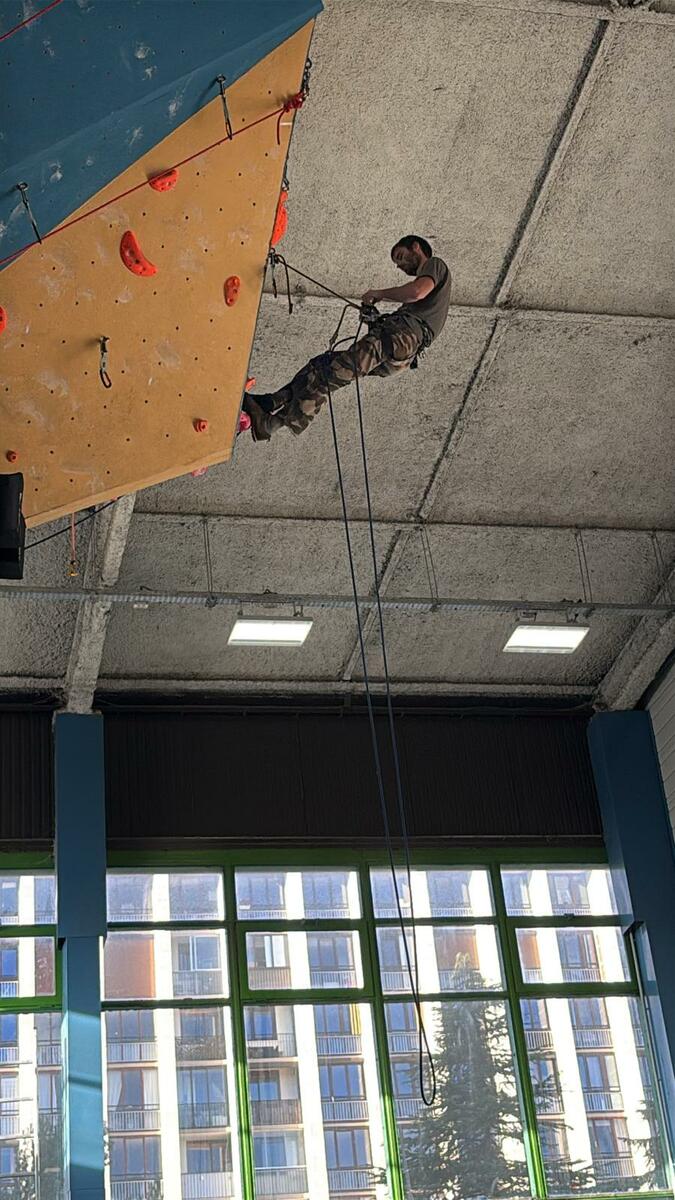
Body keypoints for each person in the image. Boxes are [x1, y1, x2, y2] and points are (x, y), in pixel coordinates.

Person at [243, 235, 451, 441]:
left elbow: (416, 292)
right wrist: (373, 320)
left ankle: (270, 424)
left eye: (401, 256)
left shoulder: (435, 265)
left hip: (400, 339)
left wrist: (379, 293)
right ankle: (270, 402)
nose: (401, 266)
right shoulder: (421, 310)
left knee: (329, 375)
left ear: (416, 247)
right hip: (398, 350)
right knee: (321, 365)